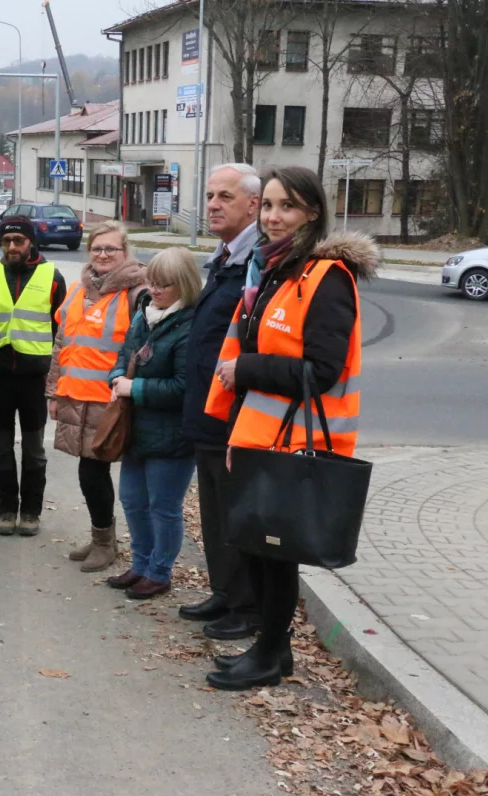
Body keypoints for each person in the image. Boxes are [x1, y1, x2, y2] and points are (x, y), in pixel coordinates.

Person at [204, 166, 377, 689]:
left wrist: (248, 368)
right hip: (259, 435)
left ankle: (271, 652)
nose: (274, 217)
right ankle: (272, 652)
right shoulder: (279, 269)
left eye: (288, 207)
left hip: (294, 441)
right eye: (269, 206)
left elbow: (321, 372)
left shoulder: (328, 278)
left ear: (313, 213)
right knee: (260, 549)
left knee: (275, 554)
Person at [178, 163, 264, 641]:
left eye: (224, 196)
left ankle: (248, 607)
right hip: (208, 411)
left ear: (253, 204)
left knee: (237, 513)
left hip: (236, 414)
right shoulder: (227, 255)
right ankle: (225, 593)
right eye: (210, 195)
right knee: (213, 511)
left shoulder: (258, 261)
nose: (212, 204)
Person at [46, 220, 147, 573]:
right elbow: (62, 344)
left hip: (113, 402)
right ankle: (103, 538)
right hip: (76, 398)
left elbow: (145, 350)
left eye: (111, 249)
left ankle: (109, 544)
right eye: (97, 248)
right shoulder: (78, 290)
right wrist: (53, 391)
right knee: (90, 473)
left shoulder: (138, 292)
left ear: (125, 252)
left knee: (96, 473)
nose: (103, 255)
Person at [104, 248, 200, 599]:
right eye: (151, 282)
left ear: (185, 284)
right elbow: (123, 355)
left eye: (164, 285)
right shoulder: (144, 316)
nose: (154, 291)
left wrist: (135, 387)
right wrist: (116, 378)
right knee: (132, 500)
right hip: (137, 430)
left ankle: (160, 572)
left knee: (163, 507)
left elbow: (184, 387)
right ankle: (140, 564)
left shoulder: (191, 326)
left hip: (172, 436)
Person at [0, 215, 67, 536]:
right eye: (7, 241)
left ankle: (31, 512)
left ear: (31, 242)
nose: (12, 247)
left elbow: (63, 333)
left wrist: (57, 381)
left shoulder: (53, 277)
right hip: (0, 376)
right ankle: (7, 509)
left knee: (33, 451)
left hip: (35, 379)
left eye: (18, 240)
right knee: (1, 449)